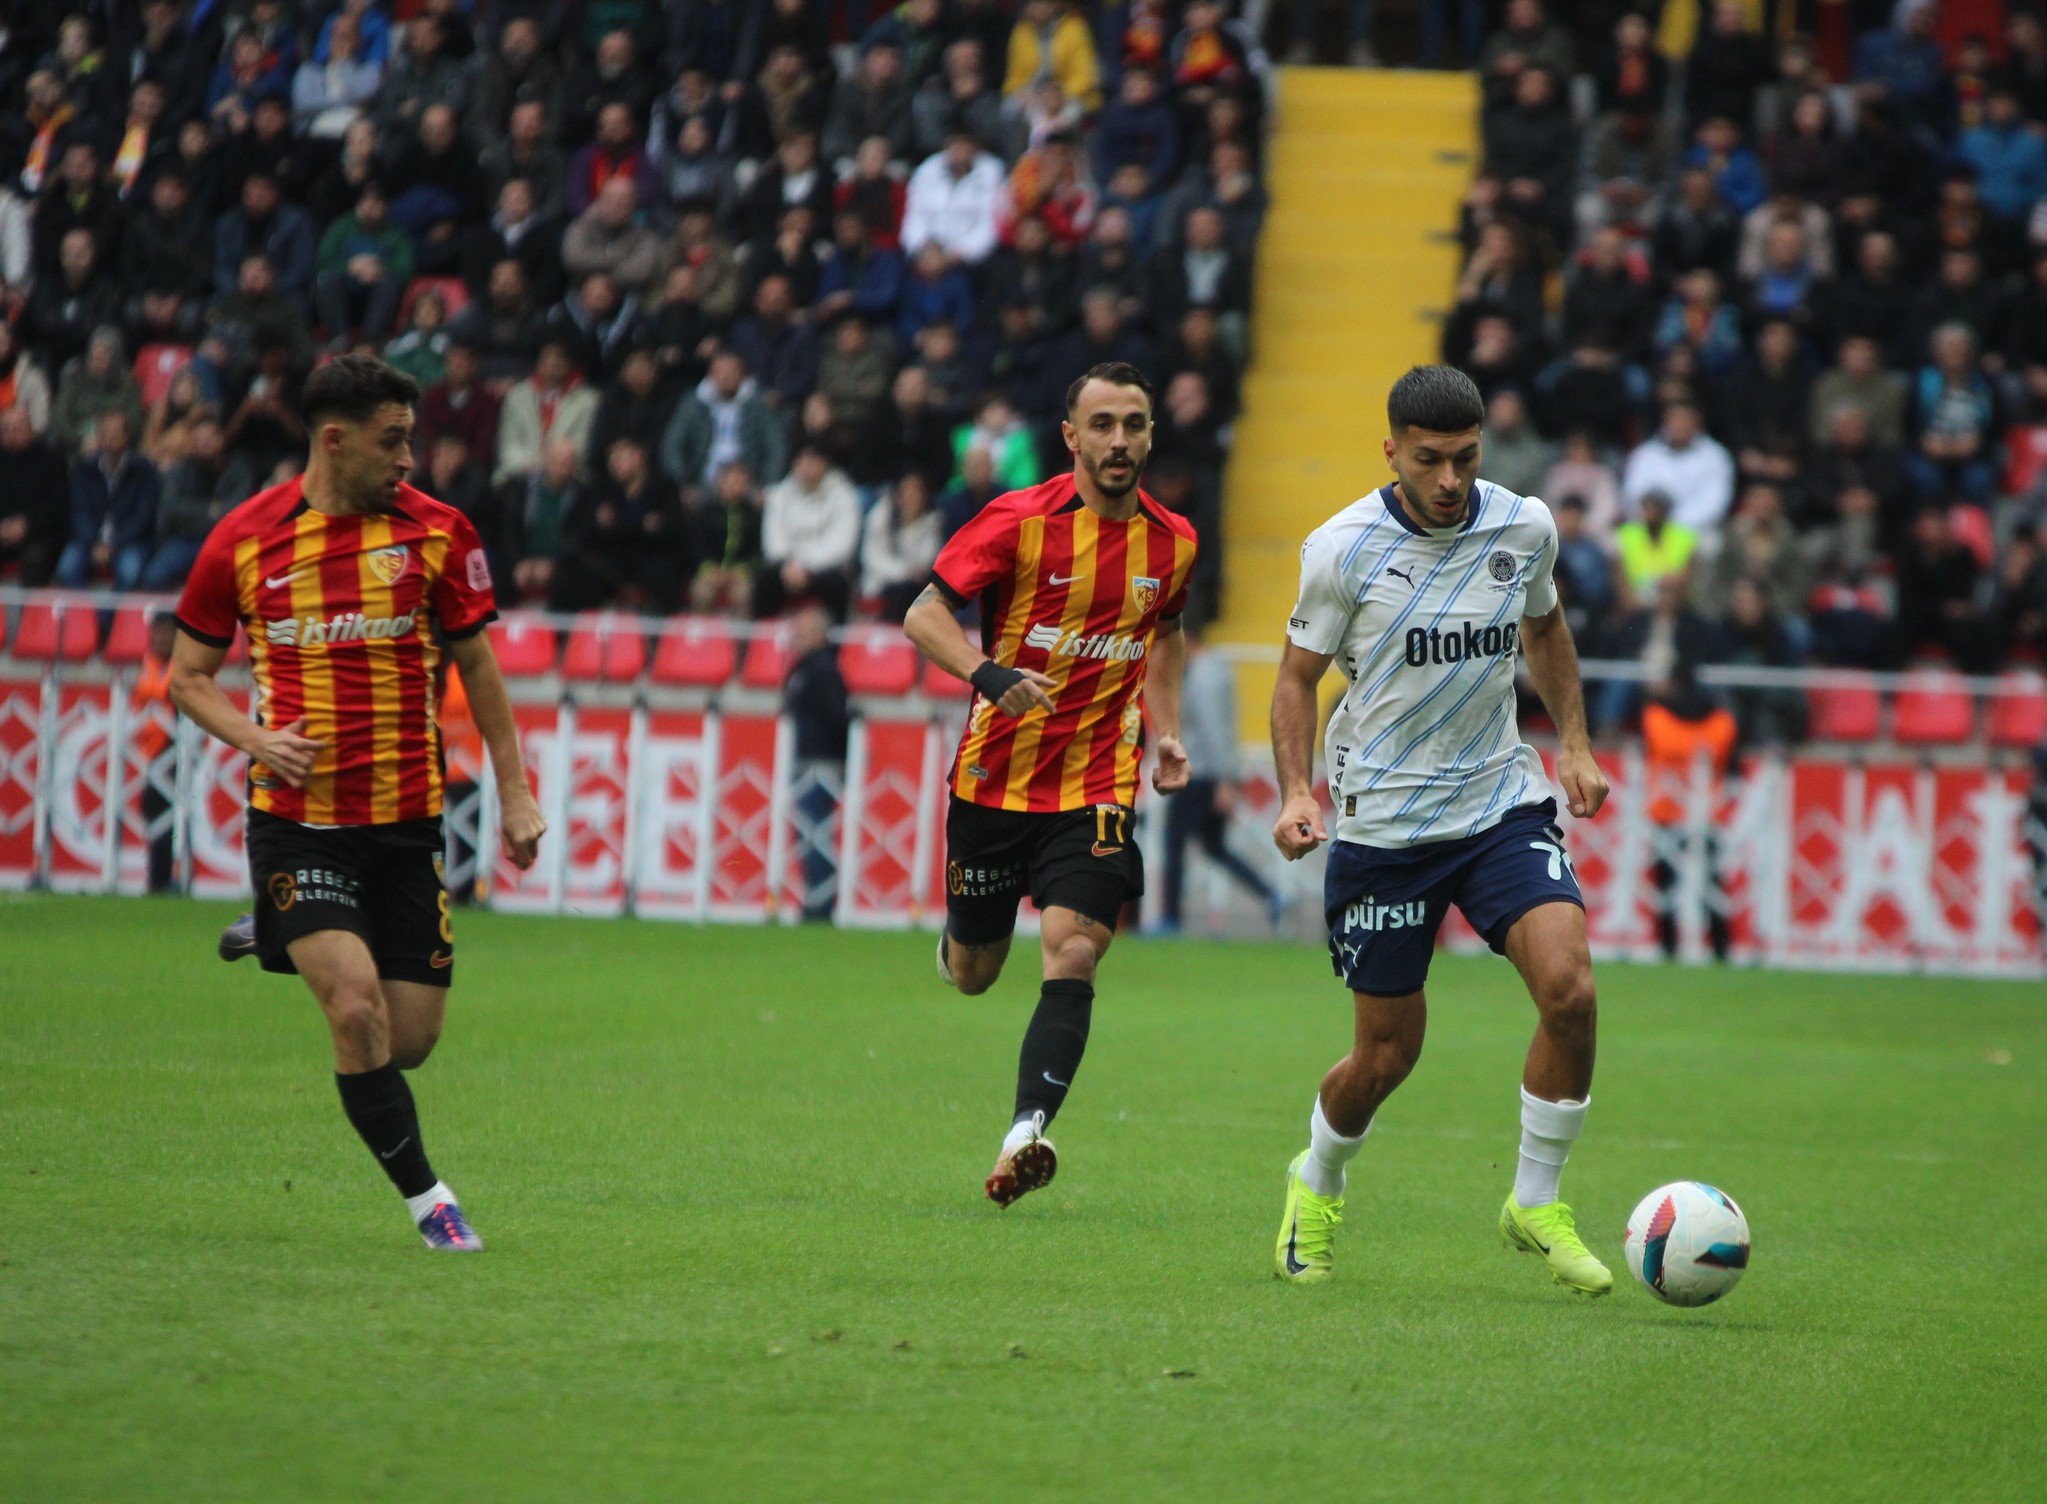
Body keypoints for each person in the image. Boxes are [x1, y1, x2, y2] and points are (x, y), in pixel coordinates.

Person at [170, 356, 546, 1252]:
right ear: (333, 440)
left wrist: (516, 792)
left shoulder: (440, 533)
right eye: (393, 440)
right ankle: (430, 1202)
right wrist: (255, 739)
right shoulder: (243, 541)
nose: (408, 458)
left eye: (409, 438)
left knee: (407, 1039)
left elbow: (480, 666)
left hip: (407, 822)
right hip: (299, 823)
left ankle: (275, 928)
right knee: (354, 1009)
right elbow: (188, 679)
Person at [1266, 364, 1612, 1294]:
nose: (1450, 479)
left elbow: (1545, 630)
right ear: (1392, 451)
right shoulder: (1341, 549)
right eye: (1429, 461)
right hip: (1384, 827)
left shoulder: (1521, 525)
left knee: (1570, 992)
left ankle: (1534, 1201)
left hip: (1499, 803)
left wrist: (1572, 745)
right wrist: (1297, 792)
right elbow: (1295, 678)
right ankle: (1318, 1180)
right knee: (1385, 1057)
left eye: (1464, 458)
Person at [902, 361, 1198, 1207]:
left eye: (1133, 424)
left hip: (1097, 782)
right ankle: (957, 945)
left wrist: (1166, 730)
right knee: (975, 971)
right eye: (1101, 425)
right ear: (1070, 437)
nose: (1118, 441)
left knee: (1075, 950)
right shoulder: (1015, 521)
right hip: (994, 781)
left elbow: (1167, 632)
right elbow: (923, 613)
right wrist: (987, 672)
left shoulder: (1173, 540)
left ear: (1149, 433)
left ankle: (1024, 1130)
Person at [1152, 625, 1280, 935]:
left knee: (1174, 842)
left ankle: (1171, 918)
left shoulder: (1204, 676)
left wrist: (1226, 780)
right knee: (1214, 846)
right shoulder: (1211, 669)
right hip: (1210, 772)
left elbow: (1214, 731)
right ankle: (1270, 893)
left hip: (1200, 774)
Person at [783, 606, 851, 922]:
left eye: (802, 631)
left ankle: (821, 902)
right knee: (811, 834)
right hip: (808, 762)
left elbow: (836, 717)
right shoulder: (807, 667)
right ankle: (817, 898)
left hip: (819, 762)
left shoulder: (821, 670)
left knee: (814, 834)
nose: (794, 638)